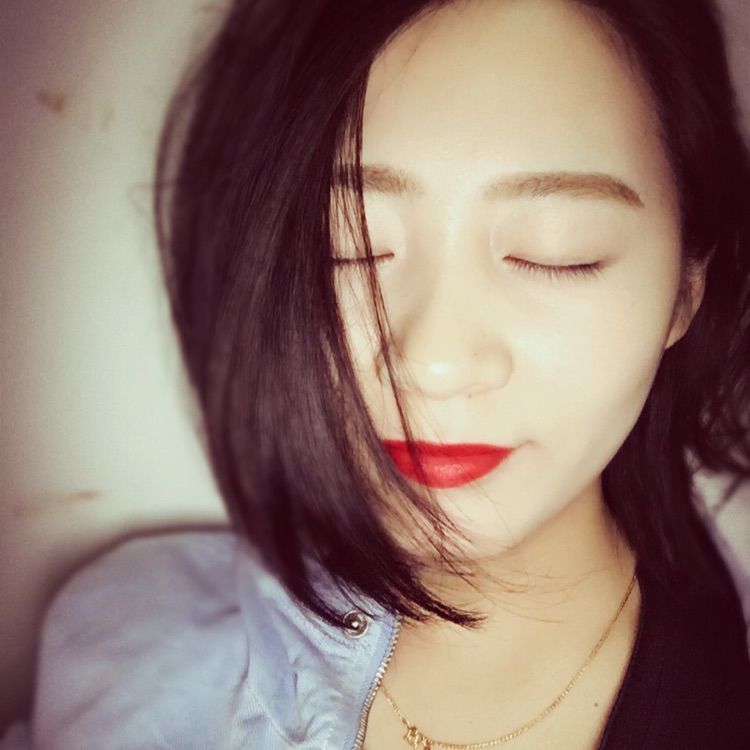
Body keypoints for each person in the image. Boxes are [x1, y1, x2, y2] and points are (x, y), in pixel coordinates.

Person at [20, 0, 750, 747]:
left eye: (554, 252)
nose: (432, 363)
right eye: (350, 245)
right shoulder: (124, 651)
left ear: (686, 289)